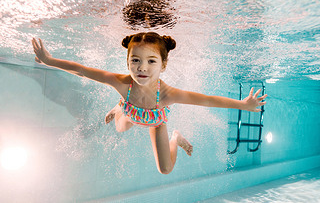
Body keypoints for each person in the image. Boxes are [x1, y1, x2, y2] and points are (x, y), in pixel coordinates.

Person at [31, 32, 267, 174]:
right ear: (127, 61)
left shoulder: (166, 94)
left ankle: (176, 138)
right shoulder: (122, 83)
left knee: (165, 169)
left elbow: (206, 100)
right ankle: (119, 107)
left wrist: (242, 104)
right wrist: (49, 60)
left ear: (163, 65)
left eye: (151, 61)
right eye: (135, 60)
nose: (142, 67)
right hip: (130, 111)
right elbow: (82, 71)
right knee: (120, 127)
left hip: (155, 122)